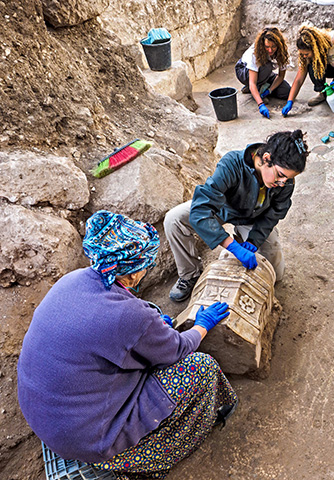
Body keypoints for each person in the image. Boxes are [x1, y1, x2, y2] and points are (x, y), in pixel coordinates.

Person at [17, 210, 237, 479]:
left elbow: (113, 325)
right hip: (85, 439)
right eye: (146, 265)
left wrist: (150, 324)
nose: (147, 270)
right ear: (132, 274)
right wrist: (202, 325)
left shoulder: (72, 280)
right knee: (200, 367)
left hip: (45, 415)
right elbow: (178, 349)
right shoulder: (130, 316)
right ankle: (155, 453)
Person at [164, 130, 309, 302]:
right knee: (174, 219)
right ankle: (190, 274)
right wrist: (232, 247)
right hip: (223, 209)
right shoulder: (232, 163)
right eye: (280, 175)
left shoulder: (285, 181)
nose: (282, 183)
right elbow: (201, 209)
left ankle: (244, 236)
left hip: (255, 218)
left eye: (288, 179)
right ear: (266, 158)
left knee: (276, 274)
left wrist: (254, 240)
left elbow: (273, 214)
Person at [281, 25, 334, 116]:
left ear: (315, 48)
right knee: (312, 66)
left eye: (306, 54)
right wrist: (290, 101)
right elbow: (299, 79)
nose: (304, 56)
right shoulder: (306, 54)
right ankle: (322, 93)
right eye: (302, 54)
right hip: (332, 67)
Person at [235, 27, 291, 119]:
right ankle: (256, 90)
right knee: (267, 66)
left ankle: (261, 88)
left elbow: (281, 76)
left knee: (286, 91)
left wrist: (270, 90)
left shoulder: (282, 51)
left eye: (273, 47)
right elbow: (252, 82)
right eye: (267, 47)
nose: (270, 50)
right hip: (244, 71)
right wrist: (260, 104)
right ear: (262, 45)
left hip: (264, 73)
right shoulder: (255, 53)